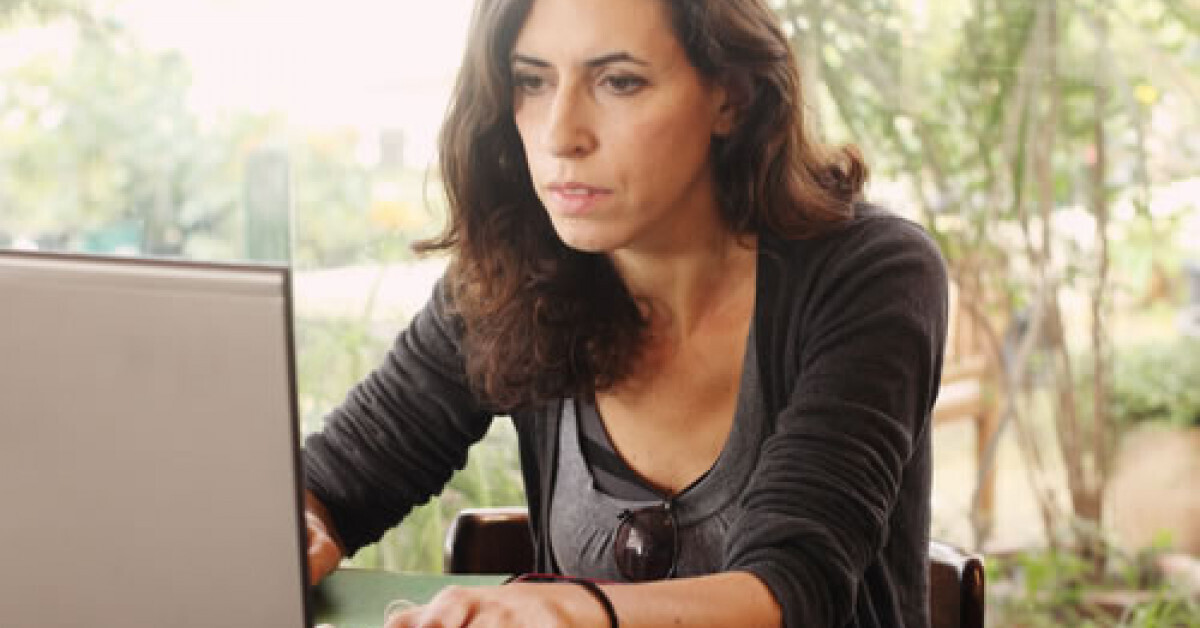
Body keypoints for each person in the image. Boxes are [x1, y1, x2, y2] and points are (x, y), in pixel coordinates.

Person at [302, 0, 948, 625]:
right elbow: (334, 483)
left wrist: (578, 610)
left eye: (619, 81)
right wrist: (302, 526)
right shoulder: (508, 279)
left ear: (731, 95)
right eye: (532, 81)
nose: (561, 135)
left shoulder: (872, 274)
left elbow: (796, 588)